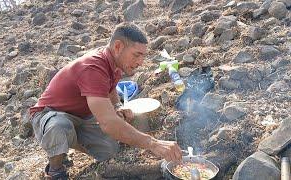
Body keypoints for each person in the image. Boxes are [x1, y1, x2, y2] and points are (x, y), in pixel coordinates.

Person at [30, 22, 182, 179]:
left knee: (109, 150)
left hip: (81, 117)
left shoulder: (114, 63)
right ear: (118, 47)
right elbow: (108, 123)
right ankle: (55, 170)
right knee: (60, 126)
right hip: (48, 115)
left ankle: (63, 146)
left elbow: (110, 89)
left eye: (143, 56)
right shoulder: (93, 67)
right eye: (136, 55)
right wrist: (153, 143)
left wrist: (117, 106)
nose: (140, 62)